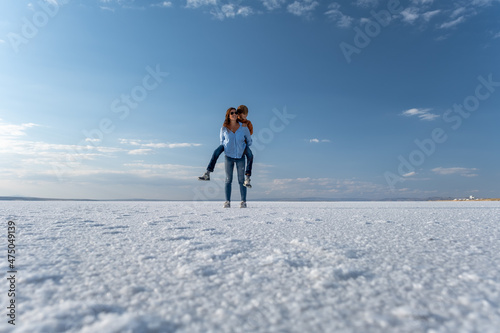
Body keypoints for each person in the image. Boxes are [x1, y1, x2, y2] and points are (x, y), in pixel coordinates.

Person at [198, 105, 254, 188]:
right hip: (227, 145)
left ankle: (248, 177)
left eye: (245, 114)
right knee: (216, 152)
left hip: (242, 144)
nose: (243, 116)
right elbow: (222, 138)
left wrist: (245, 130)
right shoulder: (229, 124)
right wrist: (226, 145)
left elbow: (250, 133)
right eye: (233, 113)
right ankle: (207, 173)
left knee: (250, 155)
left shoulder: (247, 123)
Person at [219, 107, 252, 208]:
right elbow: (221, 141)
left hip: (240, 156)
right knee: (228, 179)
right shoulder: (224, 128)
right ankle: (227, 201)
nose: (234, 114)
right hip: (228, 156)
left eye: (235, 113)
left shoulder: (244, 127)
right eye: (231, 113)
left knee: (241, 180)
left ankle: (243, 201)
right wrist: (228, 147)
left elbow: (249, 141)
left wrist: (243, 146)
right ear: (228, 115)